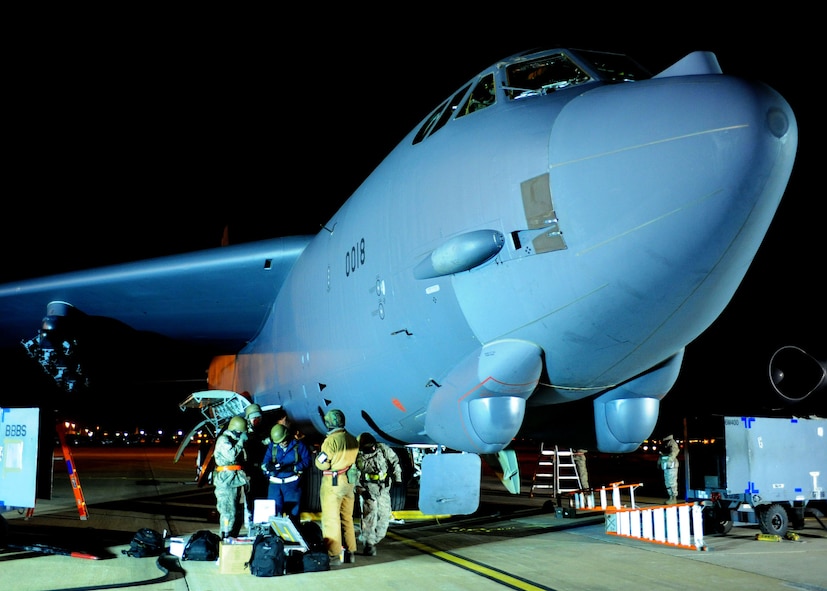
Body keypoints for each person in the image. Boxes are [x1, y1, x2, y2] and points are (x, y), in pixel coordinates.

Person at [314, 408, 359, 565]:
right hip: (349, 483)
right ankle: (351, 551)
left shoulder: (330, 441)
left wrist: (318, 457)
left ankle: (333, 555)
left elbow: (322, 463)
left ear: (329, 423)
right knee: (347, 518)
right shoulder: (353, 439)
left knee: (331, 519)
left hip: (333, 483)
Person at [354, 432, 402, 556]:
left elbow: (395, 462)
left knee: (384, 516)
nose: (372, 449)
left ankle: (376, 538)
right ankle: (369, 544)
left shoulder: (383, 449)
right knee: (369, 518)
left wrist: (398, 479)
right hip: (368, 490)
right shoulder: (356, 455)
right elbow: (353, 476)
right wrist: (361, 491)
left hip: (383, 490)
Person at [261, 423, 312, 526]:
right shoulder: (272, 447)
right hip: (275, 485)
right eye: (279, 442)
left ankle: (293, 538)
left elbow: (308, 461)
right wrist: (268, 467)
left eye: (283, 441)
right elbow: (264, 464)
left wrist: (295, 467)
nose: (282, 443)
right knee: (272, 514)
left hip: (292, 485)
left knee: (293, 515)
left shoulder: (298, 445)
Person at [213, 415, 249, 538]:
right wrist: (241, 442)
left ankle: (232, 537)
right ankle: (226, 538)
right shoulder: (224, 440)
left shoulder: (233, 440)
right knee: (228, 512)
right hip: (226, 481)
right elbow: (231, 456)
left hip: (236, 480)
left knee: (237, 512)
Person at [243, 403, 271, 529]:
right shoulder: (244, 434)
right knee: (252, 498)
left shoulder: (264, 432)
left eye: (258, 418)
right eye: (253, 418)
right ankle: (252, 522)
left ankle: (262, 522)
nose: (256, 421)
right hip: (251, 472)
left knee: (263, 496)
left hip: (262, 471)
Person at [658, 434, 680, 504]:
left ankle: (674, 498)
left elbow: (674, 452)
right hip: (666, 465)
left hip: (671, 465)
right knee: (667, 482)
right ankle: (671, 497)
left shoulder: (672, 443)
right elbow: (661, 454)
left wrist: (669, 460)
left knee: (672, 482)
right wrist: (659, 462)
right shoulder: (666, 442)